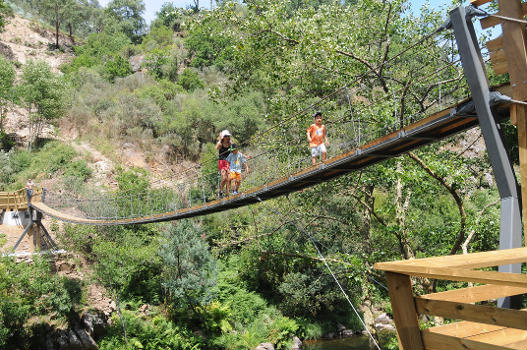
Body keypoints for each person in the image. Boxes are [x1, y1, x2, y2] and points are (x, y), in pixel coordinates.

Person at [216, 130, 232, 197]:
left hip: (228, 162)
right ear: (223, 137)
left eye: (228, 136)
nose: (227, 137)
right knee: (224, 178)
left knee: (229, 179)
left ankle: (227, 194)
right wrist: (220, 139)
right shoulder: (220, 144)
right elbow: (216, 148)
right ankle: (220, 191)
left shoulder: (230, 143)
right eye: (226, 136)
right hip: (222, 162)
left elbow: (235, 150)